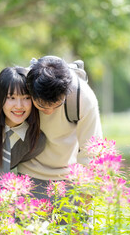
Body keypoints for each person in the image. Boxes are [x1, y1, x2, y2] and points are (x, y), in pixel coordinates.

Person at [18, 55, 103, 199]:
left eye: (55, 105)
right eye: (42, 106)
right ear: (30, 90)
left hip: (69, 179)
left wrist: (84, 208)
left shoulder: (83, 98)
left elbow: (91, 155)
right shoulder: (16, 85)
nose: (49, 111)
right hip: (27, 176)